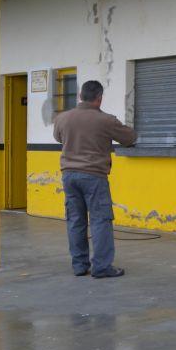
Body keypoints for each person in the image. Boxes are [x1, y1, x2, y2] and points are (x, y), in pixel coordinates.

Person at [53, 80, 137, 278]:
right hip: (94, 176)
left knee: (75, 220)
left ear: (80, 96)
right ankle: (101, 267)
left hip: (69, 176)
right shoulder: (105, 120)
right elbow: (130, 137)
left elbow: (59, 138)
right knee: (100, 220)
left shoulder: (62, 118)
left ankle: (79, 266)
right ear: (99, 99)